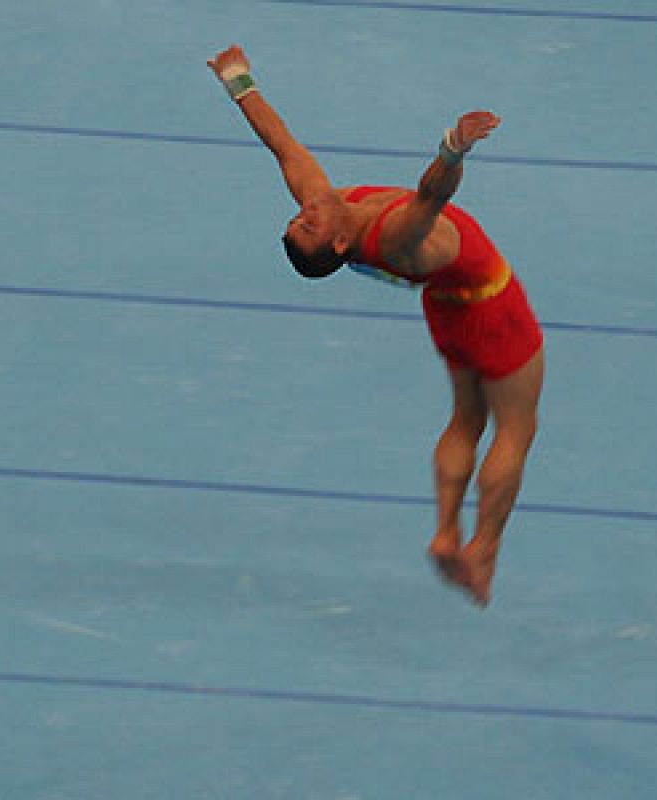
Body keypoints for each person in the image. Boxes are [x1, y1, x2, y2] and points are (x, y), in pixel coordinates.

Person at [207, 44, 545, 607]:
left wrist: (239, 82)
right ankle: (483, 548)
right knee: (515, 429)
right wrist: (452, 148)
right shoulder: (390, 236)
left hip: (445, 307)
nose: (307, 210)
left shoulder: (331, 210)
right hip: (491, 304)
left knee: (466, 416)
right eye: (309, 224)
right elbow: (432, 195)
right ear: (340, 245)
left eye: (299, 217)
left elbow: (281, 145)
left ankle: (444, 530)